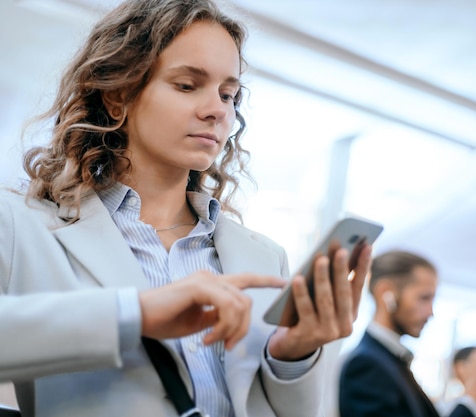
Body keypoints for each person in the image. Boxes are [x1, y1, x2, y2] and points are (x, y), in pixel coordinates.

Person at [0, 1, 372, 416]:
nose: (217, 109)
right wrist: (134, 314)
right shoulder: (22, 228)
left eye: (228, 94)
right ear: (119, 94)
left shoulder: (265, 258)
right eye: (187, 85)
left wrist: (293, 355)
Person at [338, 250, 476, 417]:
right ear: (386, 293)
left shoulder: (390, 361)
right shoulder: (367, 365)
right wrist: (471, 408)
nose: (430, 313)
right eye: (424, 298)